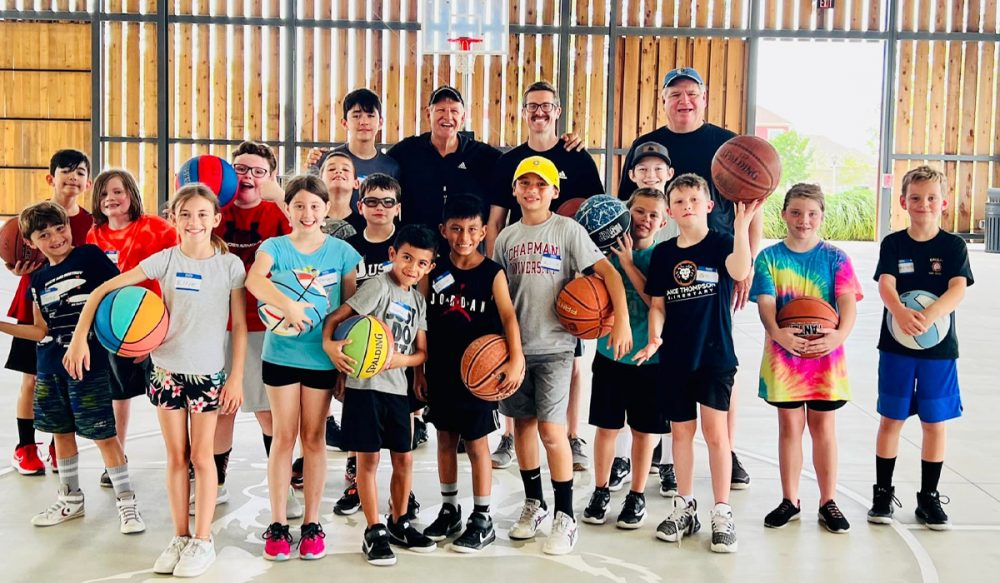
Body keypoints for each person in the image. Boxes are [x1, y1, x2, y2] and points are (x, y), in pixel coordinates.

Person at [67, 185, 245, 576]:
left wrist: (236, 377)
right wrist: (80, 337)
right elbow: (101, 291)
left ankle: (203, 540)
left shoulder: (230, 266)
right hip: (166, 371)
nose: (194, 222)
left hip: (207, 374)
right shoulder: (164, 260)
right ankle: (180, 536)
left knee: (202, 457)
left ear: (216, 219)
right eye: (186, 214)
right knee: (176, 457)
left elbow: (240, 326)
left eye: (202, 214)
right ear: (174, 219)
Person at [620, 67, 762, 489]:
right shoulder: (645, 146)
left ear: (704, 98)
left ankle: (727, 449)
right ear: (663, 101)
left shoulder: (730, 146)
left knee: (717, 356)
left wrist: (748, 263)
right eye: (675, 94)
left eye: (692, 93)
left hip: (717, 261)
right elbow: (628, 206)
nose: (684, 100)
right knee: (663, 352)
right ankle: (663, 447)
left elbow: (752, 208)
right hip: (663, 257)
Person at [492, 155, 633, 555]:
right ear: (515, 190)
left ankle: (565, 515)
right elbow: (498, 294)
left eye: (541, 184)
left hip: (556, 347)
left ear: (555, 191)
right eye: (525, 183)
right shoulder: (506, 238)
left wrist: (620, 320)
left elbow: (608, 273)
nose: (532, 190)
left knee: (552, 433)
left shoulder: (567, 230)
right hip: (516, 349)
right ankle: (534, 503)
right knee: (523, 427)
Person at [1, 202, 144, 536]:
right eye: (44, 235)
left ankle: (126, 502)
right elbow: (41, 331)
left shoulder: (90, 257)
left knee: (104, 436)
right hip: (49, 368)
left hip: (88, 366)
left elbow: (119, 297)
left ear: (68, 226)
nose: (55, 238)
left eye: (60, 229)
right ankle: (70, 499)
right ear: (30, 242)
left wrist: (134, 340)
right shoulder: (37, 279)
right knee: (60, 434)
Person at [485, 80, 605, 473]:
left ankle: (572, 434)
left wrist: (592, 280)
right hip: (521, 271)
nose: (539, 112)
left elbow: (597, 215)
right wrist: (495, 274)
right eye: (532, 106)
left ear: (557, 111)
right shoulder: (509, 162)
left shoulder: (578, 158)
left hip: (566, 279)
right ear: (523, 113)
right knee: (510, 352)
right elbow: (496, 221)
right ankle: (508, 436)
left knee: (570, 362)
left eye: (546, 106)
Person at [635, 173, 757, 553]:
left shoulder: (721, 243)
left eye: (693, 200)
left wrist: (742, 228)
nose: (686, 206)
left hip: (715, 356)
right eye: (679, 201)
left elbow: (740, 270)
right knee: (681, 434)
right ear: (670, 211)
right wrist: (655, 337)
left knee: (717, 435)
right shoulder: (664, 254)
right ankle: (685, 506)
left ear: (708, 206)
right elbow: (657, 305)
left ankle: (722, 511)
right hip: (675, 358)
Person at [246, 174, 361, 561]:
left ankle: (312, 523)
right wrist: (289, 306)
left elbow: (348, 311)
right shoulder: (274, 247)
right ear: (288, 208)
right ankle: (278, 523)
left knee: (313, 439)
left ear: (327, 209)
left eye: (315, 206)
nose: (307, 213)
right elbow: (254, 280)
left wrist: (343, 367)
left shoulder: (343, 253)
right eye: (299, 206)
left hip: (321, 359)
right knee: (283, 437)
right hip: (280, 355)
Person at [749, 184, 862, 533]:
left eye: (812, 213)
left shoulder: (836, 258)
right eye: (796, 212)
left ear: (822, 216)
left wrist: (839, 336)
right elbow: (766, 303)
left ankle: (828, 501)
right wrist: (777, 332)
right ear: (784, 214)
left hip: (826, 356)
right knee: (789, 427)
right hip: (785, 357)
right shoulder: (769, 258)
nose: (804, 220)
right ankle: (790, 500)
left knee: (823, 428)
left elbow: (847, 303)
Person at [324, 225, 438, 566]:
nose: (412, 268)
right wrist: (331, 348)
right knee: (368, 461)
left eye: (421, 263)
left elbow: (421, 352)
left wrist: (407, 365)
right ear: (392, 255)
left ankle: (399, 521)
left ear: (429, 267)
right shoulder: (378, 286)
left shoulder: (418, 301)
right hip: (365, 389)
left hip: (397, 391)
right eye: (406, 258)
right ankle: (374, 529)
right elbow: (339, 318)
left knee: (404, 459)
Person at [868, 165, 973, 531]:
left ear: (943, 203)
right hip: (896, 347)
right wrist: (900, 311)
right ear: (903, 202)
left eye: (931, 198)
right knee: (891, 419)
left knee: (934, 422)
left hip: (937, 350)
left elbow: (957, 288)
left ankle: (928, 497)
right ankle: (882, 494)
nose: (923, 204)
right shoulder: (894, 244)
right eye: (915, 197)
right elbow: (886, 284)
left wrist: (930, 315)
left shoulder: (953, 246)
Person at [418, 194, 525, 552]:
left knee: (477, 444)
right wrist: (419, 370)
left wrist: (516, 359)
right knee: (445, 439)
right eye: (456, 229)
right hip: (440, 369)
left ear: (483, 232)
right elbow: (421, 320)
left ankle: (483, 517)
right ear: (443, 230)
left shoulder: (492, 273)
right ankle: (450, 509)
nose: (463, 237)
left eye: (471, 230)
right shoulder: (432, 270)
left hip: (480, 376)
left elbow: (508, 316)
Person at [211, 141, 301, 518]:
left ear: (271, 176)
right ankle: (215, 483)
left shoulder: (279, 213)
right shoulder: (215, 210)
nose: (248, 176)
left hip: (265, 324)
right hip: (219, 323)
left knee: (268, 411)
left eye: (257, 171)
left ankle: (283, 486)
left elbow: (304, 242)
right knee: (222, 410)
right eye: (240, 169)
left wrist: (280, 197)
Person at [582, 187, 671, 530]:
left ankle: (636, 494)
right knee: (606, 428)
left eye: (653, 215)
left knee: (643, 432)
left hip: (649, 361)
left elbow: (657, 304)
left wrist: (629, 264)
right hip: (610, 355)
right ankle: (600, 489)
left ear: (663, 222)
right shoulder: (601, 254)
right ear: (626, 212)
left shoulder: (662, 257)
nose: (645, 220)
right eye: (639, 212)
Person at [87, 168, 178, 487]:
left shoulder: (157, 228)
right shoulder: (94, 236)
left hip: (155, 327)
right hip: (115, 328)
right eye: (103, 194)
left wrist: (160, 332)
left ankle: (182, 458)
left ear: (131, 194)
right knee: (118, 395)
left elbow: (176, 268)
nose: (110, 198)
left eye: (118, 191)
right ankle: (117, 458)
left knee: (168, 398)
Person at [7, 149, 94, 477]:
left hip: (71, 312)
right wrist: (16, 267)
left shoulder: (91, 222)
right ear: (51, 178)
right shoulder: (32, 217)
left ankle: (61, 445)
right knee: (31, 378)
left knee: (68, 377)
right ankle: (26, 447)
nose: (73, 177)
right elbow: (13, 253)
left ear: (88, 183)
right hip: (32, 307)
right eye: (66, 171)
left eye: (80, 172)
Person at [607, 141, 677, 495]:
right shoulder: (618, 223)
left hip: (665, 333)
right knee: (621, 409)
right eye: (644, 169)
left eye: (658, 169)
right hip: (622, 338)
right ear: (632, 175)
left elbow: (658, 297)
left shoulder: (677, 226)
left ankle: (668, 464)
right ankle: (621, 460)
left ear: (669, 173)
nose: (651, 175)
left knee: (665, 406)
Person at [333, 172, 403, 517]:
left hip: (398, 346)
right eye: (372, 201)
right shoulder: (349, 248)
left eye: (387, 202)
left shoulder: (404, 245)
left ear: (398, 208)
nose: (380, 208)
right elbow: (346, 301)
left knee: (400, 423)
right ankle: (355, 480)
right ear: (359, 206)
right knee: (357, 415)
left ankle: (402, 493)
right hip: (360, 345)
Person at [387, 85, 502, 232]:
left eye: (454, 111)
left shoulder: (485, 156)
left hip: (465, 243)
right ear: (428, 114)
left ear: (463, 118)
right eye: (441, 110)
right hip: (418, 243)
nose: (447, 117)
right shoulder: (405, 152)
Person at [307, 87, 402, 210]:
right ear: (344, 123)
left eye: (370, 115)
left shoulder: (391, 167)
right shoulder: (326, 161)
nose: (363, 122)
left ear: (380, 123)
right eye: (356, 116)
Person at [318, 150, 363, 237]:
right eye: (331, 169)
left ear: (356, 183)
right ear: (320, 182)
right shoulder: (311, 221)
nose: (339, 171)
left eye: (345, 169)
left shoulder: (366, 225)